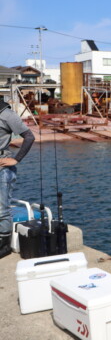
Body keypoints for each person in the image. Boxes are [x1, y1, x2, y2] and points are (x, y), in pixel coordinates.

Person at [0, 98, 35, 259]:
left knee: (1, 209)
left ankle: (4, 244)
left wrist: (16, 159)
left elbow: (29, 136)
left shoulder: (7, 114)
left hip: (2, 168)